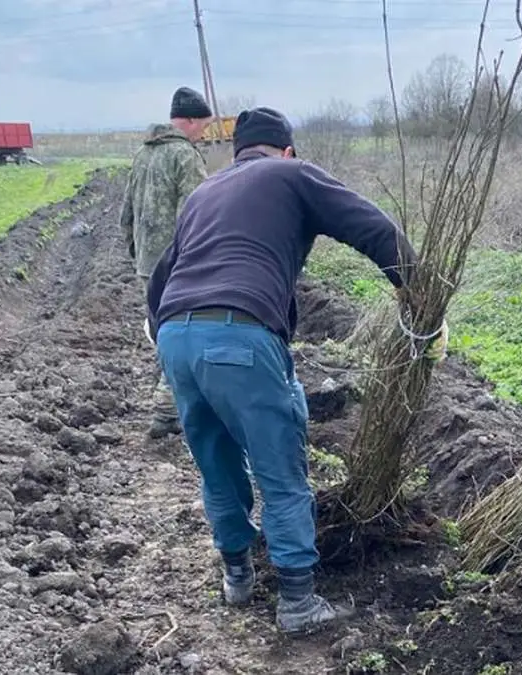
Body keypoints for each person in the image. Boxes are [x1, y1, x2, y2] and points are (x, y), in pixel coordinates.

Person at [143, 106, 448, 634]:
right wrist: (425, 304)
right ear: (286, 150)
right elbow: (373, 228)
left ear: (238, 152)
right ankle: (299, 605)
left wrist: (164, 334)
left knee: (216, 461)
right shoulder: (292, 174)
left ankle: (236, 579)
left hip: (176, 338)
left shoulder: (203, 194)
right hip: (240, 335)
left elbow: (163, 276)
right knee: (280, 470)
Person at [119, 86, 213, 440]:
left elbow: (125, 213)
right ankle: (166, 410)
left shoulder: (143, 154)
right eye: (202, 126)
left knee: (163, 331)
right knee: (180, 335)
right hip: (178, 263)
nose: (203, 133)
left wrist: (137, 254)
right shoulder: (185, 157)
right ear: (188, 121)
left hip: (148, 263)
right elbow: (197, 213)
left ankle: (173, 405)